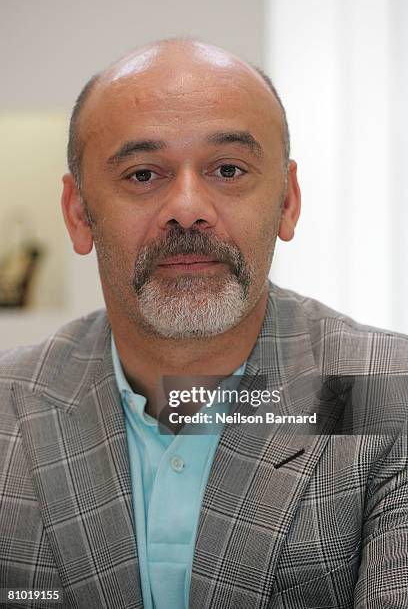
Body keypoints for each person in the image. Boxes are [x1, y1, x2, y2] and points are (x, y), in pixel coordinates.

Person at [0, 39, 407, 609]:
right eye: (143, 175)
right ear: (77, 212)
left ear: (287, 200)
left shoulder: (392, 394)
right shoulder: (8, 405)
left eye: (228, 169)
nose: (187, 207)